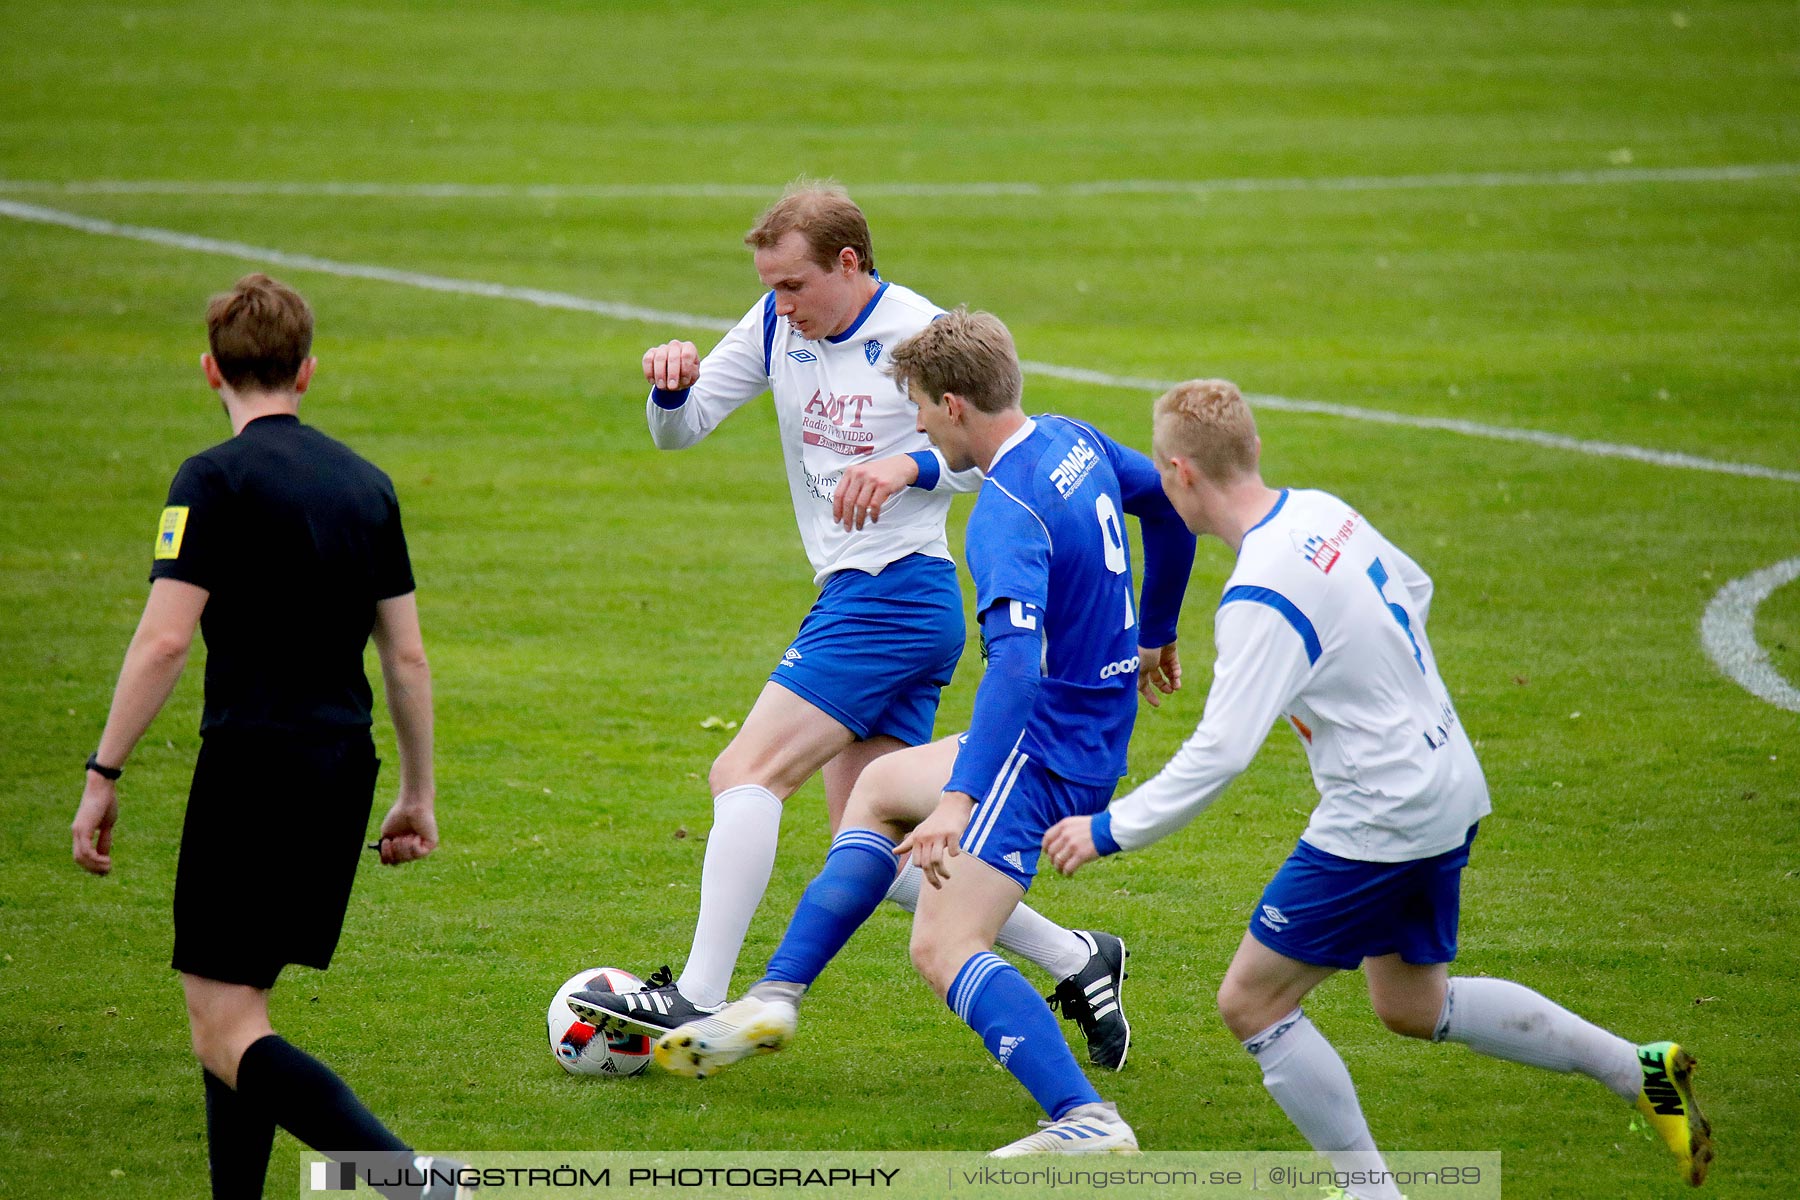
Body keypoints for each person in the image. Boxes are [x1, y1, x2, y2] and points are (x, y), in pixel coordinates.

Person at [1043, 379, 1713, 1193]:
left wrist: (1107, 828)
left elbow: (1221, 752)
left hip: (1382, 811)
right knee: (1411, 1004)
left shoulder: (1259, 594)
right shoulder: (1322, 512)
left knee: (1251, 1003)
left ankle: (1372, 1192)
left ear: (1180, 473)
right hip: (1447, 778)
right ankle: (1636, 1069)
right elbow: (1415, 587)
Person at [571, 184, 1133, 1066]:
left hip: (893, 590)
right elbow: (679, 435)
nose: (780, 305)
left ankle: (699, 995)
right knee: (878, 848)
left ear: (848, 264)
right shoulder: (773, 325)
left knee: (745, 769)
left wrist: (907, 462)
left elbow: (985, 454)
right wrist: (669, 390)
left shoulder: (920, 330)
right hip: (869, 596)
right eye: (770, 287)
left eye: (793, 286)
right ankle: (1079, 956)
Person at [649, 309, 1196, 1156]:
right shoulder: (1071, 439)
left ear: (952, 405)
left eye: (920, 414)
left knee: (943, 946)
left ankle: (1086, 1119)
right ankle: (777, 993)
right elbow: (1163, 501)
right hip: (1088, 721)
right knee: (873, 789)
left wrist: (959, 802)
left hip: (1047, 742)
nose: (922, 433)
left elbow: (1016, 669)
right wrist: (1158, 628)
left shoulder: (1005, 515)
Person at [69, 275, 468, 1200]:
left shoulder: (210, 480)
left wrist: (104, 770)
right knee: (240, 1005)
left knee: (223, 1026)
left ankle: (417, 1186)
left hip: (253, 764)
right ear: (308, 371)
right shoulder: (367, 484)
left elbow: (166, 637)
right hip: (342, 766)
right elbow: (406, 661)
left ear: (210, 368)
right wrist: (417, 793)